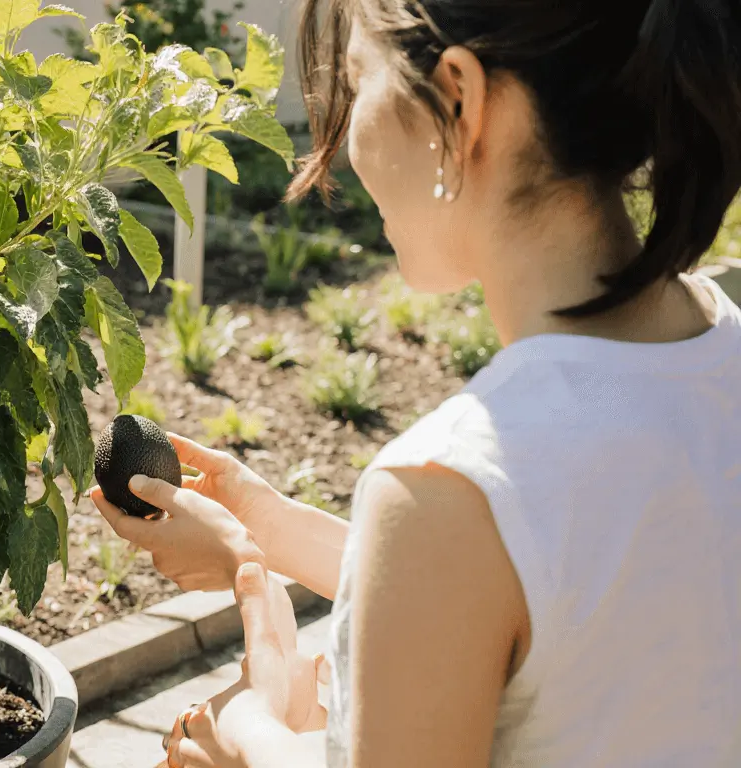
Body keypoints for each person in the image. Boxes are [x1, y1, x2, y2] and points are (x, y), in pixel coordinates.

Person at [91, 0, 741, 765]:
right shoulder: (715, 343)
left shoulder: (448, 488)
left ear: (458, 102)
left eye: (359, 78)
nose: (346, 134)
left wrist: (244, 735)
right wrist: (259, 532)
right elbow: (556, 602)